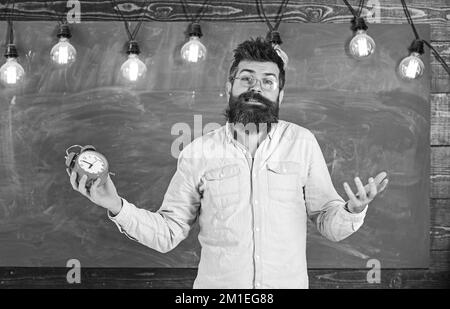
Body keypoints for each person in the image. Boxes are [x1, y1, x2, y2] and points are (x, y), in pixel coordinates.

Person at [68, 37, 389, 289]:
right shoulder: (198, 152)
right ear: (229, 88)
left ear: (281, 94)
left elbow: (327, 222)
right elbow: (168, 232)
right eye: (246, 79)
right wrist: (115, 204)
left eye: (268, 82)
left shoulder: (301, 143)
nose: (256, 89)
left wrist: (352, 210)